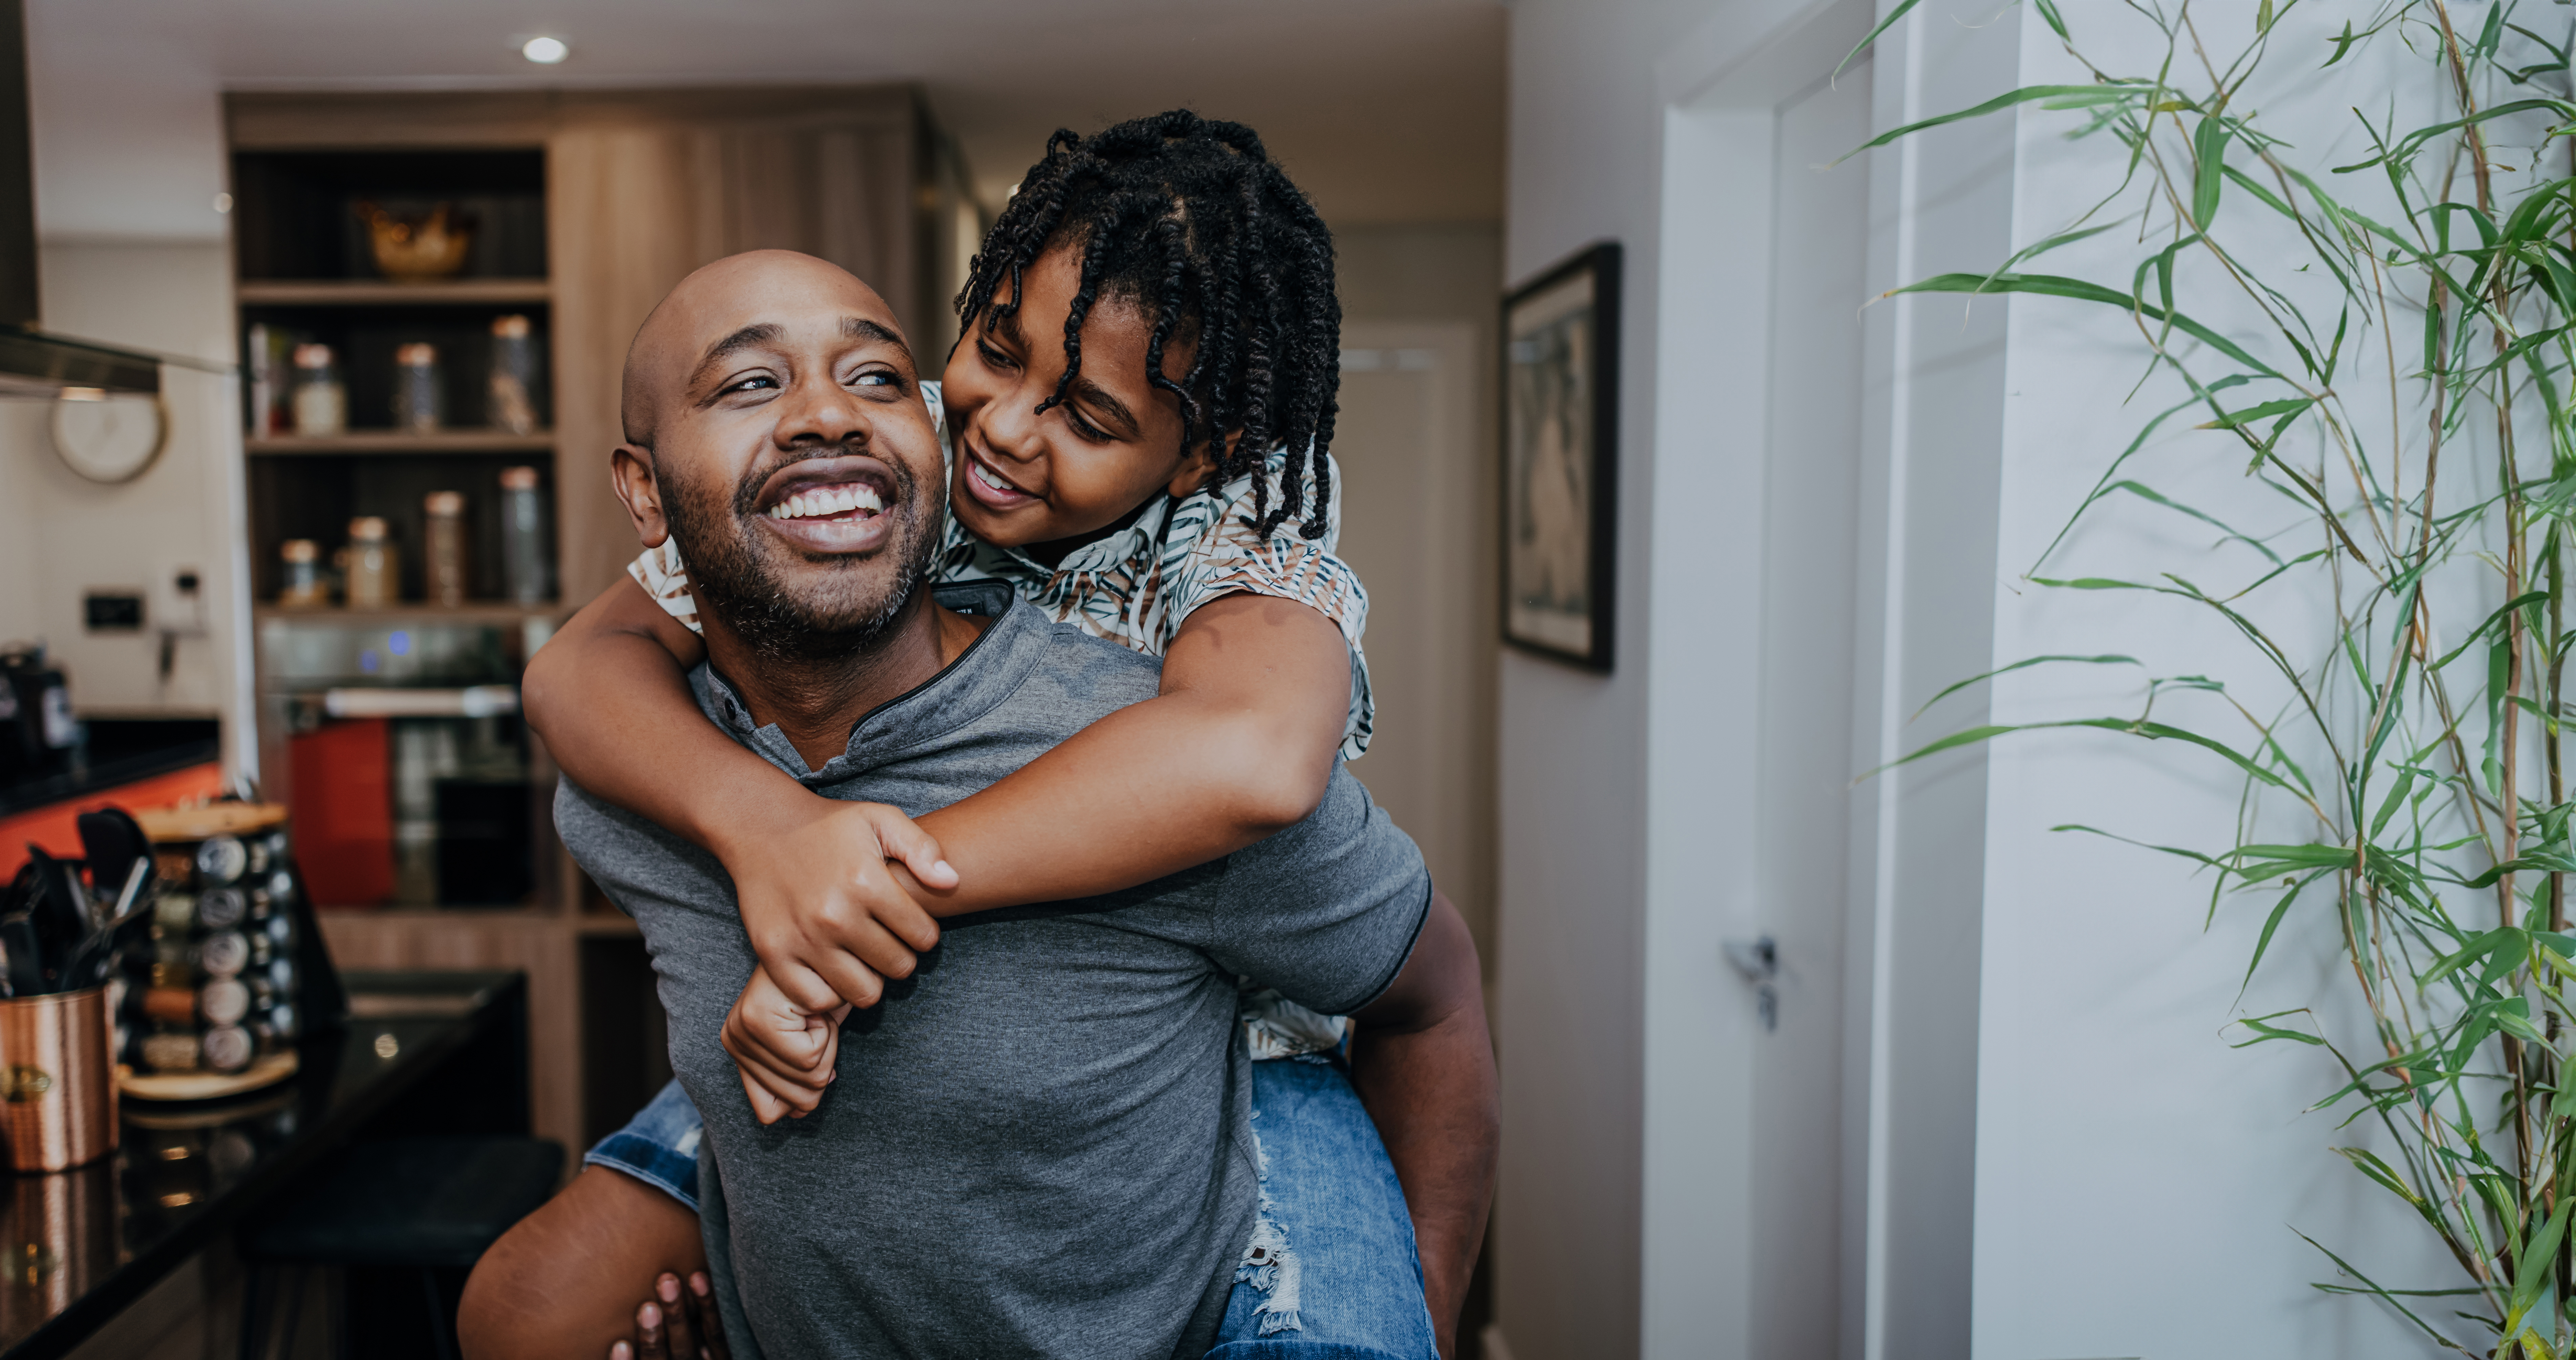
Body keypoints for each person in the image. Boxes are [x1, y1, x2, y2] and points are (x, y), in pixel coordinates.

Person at [465, 113, 1492, 1353]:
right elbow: (579, 669)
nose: (1004, 429)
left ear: (1196, 453)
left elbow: (1256, 760)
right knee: (531, 1311)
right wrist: (768, 828)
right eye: (992, 353)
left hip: (1254, 1046)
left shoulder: (1238, 536)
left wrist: (866, 878)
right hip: (847, 1044)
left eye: (1092, 420)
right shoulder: (892, 469)